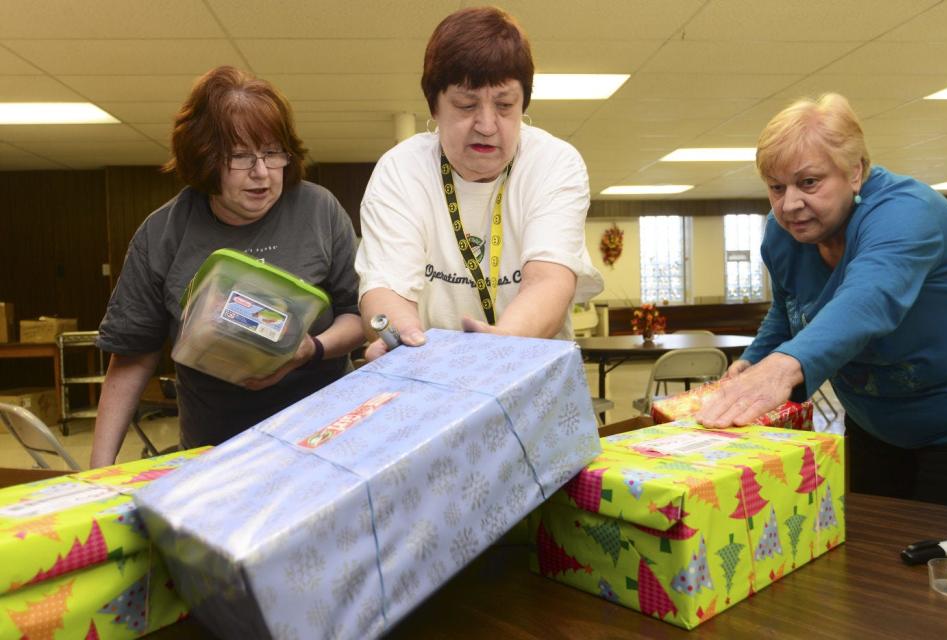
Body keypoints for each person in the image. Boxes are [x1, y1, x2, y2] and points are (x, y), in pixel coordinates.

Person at [90, 66, 365, 467]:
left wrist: (313, 348)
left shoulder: (319, 210)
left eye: (273, 153)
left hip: (324, 442)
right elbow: (132, 356)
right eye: (240, 156)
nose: (262, 173)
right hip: (217, 450)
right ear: (203, 158)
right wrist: (97, 473)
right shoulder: (163, 234)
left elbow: (357, 314)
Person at [697, 93, 947, 506]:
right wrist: (755, 361)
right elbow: (788, 311)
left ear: (855, 172)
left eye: (809, 182)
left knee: (939, 561)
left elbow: (868, 298)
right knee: (872, 553)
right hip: (872, 426)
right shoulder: (782, 234)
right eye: (776, 188)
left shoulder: (907, 212)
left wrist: (782, 369)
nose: (790, 205)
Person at [354, 6, 603, 360]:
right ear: (435, 108)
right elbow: (386, 287)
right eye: (466, 105)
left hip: (531, 372)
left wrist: (498, 348)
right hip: (430, 370)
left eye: (504, 105)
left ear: (523, 104)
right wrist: (402, 336)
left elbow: (549, 280)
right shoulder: (401, 170)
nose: (487, 124)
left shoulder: (554, 162)